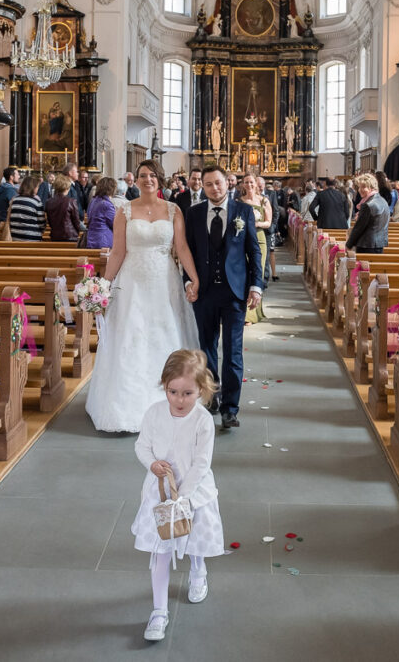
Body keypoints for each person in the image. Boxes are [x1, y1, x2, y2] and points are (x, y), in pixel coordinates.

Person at [85, 160, 202, 433]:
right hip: (132, 282)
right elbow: (117, 252)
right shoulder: (124, 211)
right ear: (135, 181)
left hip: (165, 281)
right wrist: (104, 285)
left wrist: (193, 277)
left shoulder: (173, 210)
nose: (147, 179)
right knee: (131, 337)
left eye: (152, 175)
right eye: (142, 176)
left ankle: (174, 400)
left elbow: (182, 248)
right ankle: (127, 406)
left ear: (160, 180)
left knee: (165, 334)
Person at [132, 350, 224, 642]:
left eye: (188, 393)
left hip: (193, 493)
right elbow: (142, 446)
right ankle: (159, 611)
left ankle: (198, 570)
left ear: (201, 390)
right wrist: (152, 464)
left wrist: (182, 498)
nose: (180, 400)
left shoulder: (202, 420)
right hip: (160, 494)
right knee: (160, 550)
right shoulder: (155, 413)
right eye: (173, 392)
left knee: (193, 538)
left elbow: (201, 462)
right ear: (164, 387)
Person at [184, 166, 263, 429]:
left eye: (218, 183)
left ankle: (230, 408)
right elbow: (188, 253)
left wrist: (256, 286)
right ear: (202, 187)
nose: (214, 188)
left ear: (227, 183)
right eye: (208, 184)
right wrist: (188, 281)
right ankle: (211, 395)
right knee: (206, 349)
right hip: (204, 291)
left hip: (234, 292)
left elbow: (254, 252)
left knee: (232, 351)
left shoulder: (244, 212)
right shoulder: (194, 214)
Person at [235, 175, 270, 325]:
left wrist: (256, 224)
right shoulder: (238, 202)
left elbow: (268, 222)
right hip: (243, 240)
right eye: (246, 182)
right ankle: (241, 311)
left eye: (251, 182)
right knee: (243, 274)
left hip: (259, 239)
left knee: (257, 272)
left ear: (256, 184)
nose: (249, 184)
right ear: (243, 184)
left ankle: (252, 314)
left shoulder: (264, 200)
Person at [345, 173, 389, 254]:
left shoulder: (368, 205)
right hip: (379, 245)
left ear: (372, 188)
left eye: (363, 187)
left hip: (366, 246)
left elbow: (359, 228)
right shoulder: (383, 201)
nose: (360, 190)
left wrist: (348, 245)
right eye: (359, 187)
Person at [45, 174, 83, 242]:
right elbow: (76, 221)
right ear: (67, 188)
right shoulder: (71, 201)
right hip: (70, 236)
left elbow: (50, 221)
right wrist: (77, 233)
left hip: (55, 236)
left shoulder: (49, 202)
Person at [8, 175, 46, 241]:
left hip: (15, 238)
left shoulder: (14, 200)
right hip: (32, 240)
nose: (38, 189)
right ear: (33, 187)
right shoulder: (36, 202)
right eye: (37, 187)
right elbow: (42, 223)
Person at [85, 176, 118, 249]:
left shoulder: (94, 200)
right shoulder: (106, 204)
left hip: (92, 238)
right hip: (103, 240)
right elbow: (115, 224)